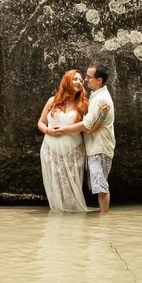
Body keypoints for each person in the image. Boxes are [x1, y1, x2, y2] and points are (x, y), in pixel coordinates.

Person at [53, 64, 115, 214]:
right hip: (95, 147)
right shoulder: (96, 95)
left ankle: (104, 220)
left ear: (99, 80)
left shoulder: (101, 99)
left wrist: (64, 130)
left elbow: (87, 125)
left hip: (99, 148)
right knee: (98, 185)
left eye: (89, 77)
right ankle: (103, 218)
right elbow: (92, 126)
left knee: (101, 187)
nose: (86, 80)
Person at [37, 69, 89, 212]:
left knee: (71, 185)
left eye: (80, 80)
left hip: (73, 150)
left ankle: (72, 220)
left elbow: (87, 126)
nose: (79, 82)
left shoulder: (84, 104)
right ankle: (58, 215)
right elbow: (40, 123)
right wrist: (48, 131)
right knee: (55, 184)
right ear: (67, 81)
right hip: (50, 149)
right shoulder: (52, 101)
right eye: (75, 79)